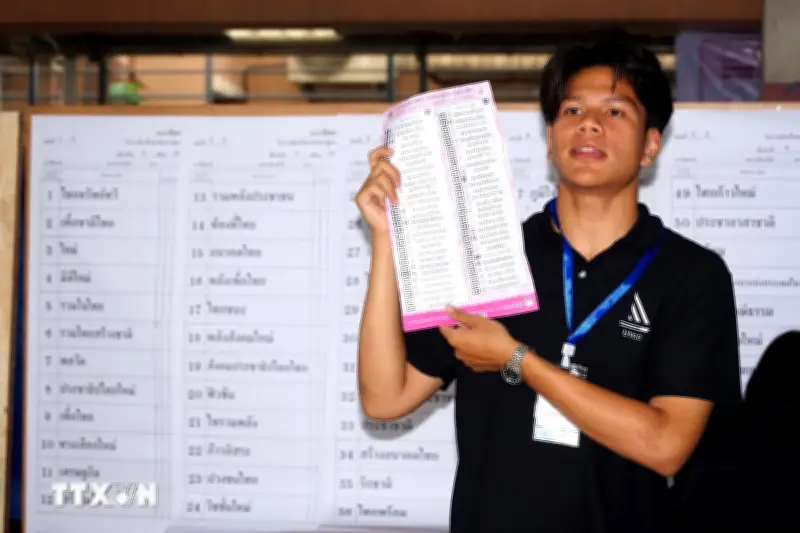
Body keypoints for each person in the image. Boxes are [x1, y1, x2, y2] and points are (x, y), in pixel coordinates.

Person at [354, 30, 742, 533]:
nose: (590, 124)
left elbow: (666, 445)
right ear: (551, 140)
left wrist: (518, 360)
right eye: (572, 110)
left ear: (650, 146)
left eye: (615, 112)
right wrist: (387, 238)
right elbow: (385, 398)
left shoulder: (691, 274)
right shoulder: (488, 255)